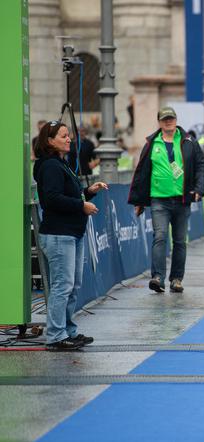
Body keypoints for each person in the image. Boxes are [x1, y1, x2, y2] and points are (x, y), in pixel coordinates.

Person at [32, 121, 108, 350]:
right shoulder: (50, 166)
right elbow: (52, 199)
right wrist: (81, 206)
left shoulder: (60, 164)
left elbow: (70, 196)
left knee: (72, 286)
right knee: (62, 286)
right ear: (49, 141)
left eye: (69, 135)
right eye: (63, 136)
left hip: (71, 232)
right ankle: (55, 335)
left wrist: (88, 193)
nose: (69, 139)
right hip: (58, 234)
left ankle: (68, 330)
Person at [128, 107, 204, 294]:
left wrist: (199, 189)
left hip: (182, 199)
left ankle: (177, 279)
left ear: (176, 120)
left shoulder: (189, 141)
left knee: (179, 241)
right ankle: (157, 277)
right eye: (164, 119)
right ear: (159, 122)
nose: (168, 121)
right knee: (160, 236)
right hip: (159, 200)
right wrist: (139, 201)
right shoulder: (151, 143)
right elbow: (142, 173)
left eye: (171, 118)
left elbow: (201, 166)